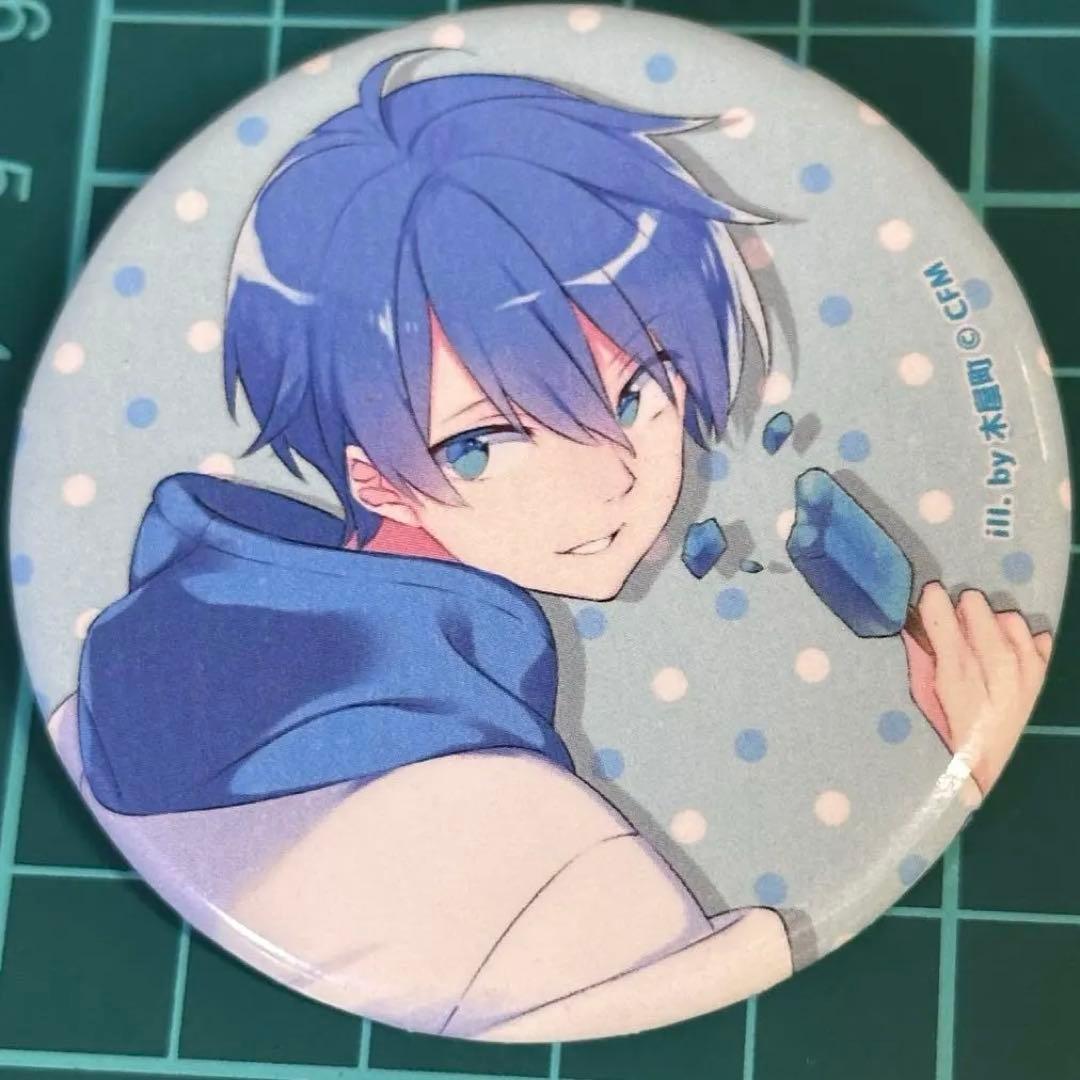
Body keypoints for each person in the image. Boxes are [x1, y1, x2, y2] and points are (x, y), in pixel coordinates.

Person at [48, 54, 1051, 1040]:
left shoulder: (124, 688)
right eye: (485, 442)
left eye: (637, 391)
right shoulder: (542, 861)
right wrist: (981, 783)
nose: (612, 478)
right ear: (372, 476)